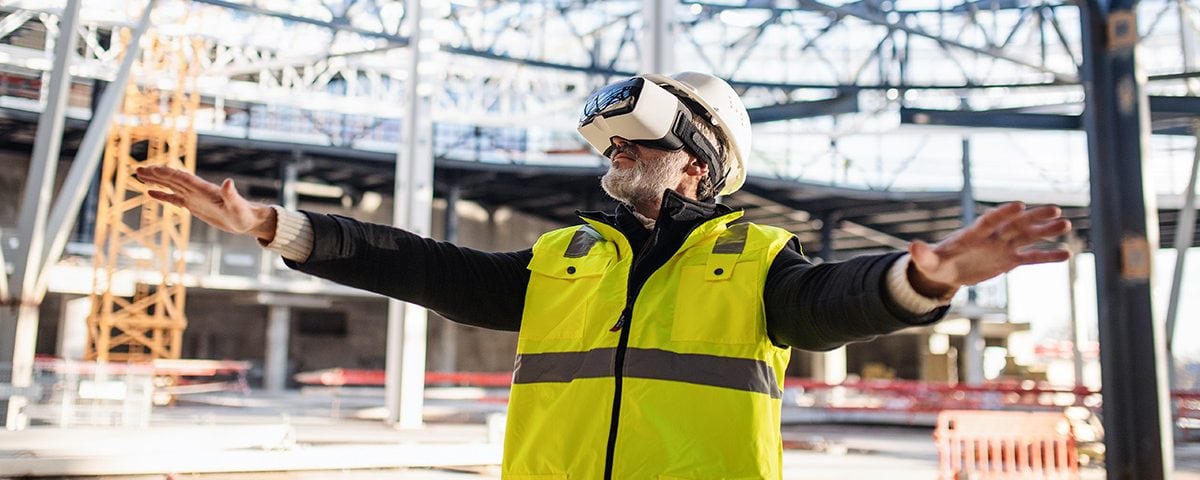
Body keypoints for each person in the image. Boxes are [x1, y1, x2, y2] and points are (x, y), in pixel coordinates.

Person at [137, 72, 1072, 479]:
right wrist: (276, 225)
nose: (618, 161)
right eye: (613, 148)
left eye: (639, 146)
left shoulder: (757, 261)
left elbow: (832, 307)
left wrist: (928, 276)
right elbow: (422, 265)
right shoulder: (562, 258)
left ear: (696, 163)